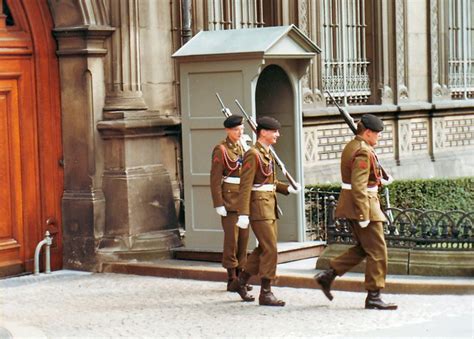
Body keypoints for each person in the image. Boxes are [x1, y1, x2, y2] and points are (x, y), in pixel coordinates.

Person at [314, 114, 397, 310]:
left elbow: (363, 178)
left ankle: (328, 276)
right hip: (364, 205)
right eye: (376, 133)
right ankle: (374, 296)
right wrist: (363, 215)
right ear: (367, 133)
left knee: (363, 248)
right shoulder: (362, 151)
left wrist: (379, 179)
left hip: (356, 203)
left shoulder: (355, 146)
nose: (378, 137)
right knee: (378, 251)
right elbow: (358, 186)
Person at [230, 116, 301, 306]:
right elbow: (245, 186)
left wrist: (287, 189)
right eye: (274, 131)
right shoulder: (253, 154)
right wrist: (243, 213)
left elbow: (268, 182)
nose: (278, 134)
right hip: (259, 208)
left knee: (263, 248)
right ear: (263, 132)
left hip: (268, 206)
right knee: (271, 249)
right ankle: (266, 292)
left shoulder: (266, 152)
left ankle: (240, 281)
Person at [210, 115, 252, 292]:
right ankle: (231, 278)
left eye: (241, 129)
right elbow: (215, 178)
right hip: (229, 200)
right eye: (236, 130)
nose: (239, 133)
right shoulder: (221, 149)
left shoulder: (244, 148)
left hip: (244, 200)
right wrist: (218, 203)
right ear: (228, 130)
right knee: (231, 241)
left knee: (244, 240)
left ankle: (241, 276)